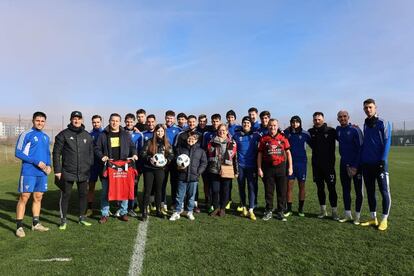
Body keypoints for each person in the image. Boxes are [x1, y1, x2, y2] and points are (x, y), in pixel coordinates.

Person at [53, 111, 94, 230]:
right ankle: (63, 220)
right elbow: (56, 153)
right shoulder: (63, 134)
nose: (77, 121)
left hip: (83, 172)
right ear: (71, 120)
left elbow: (90, 152)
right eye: (74, 118)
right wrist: (57, 170)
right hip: (67, 172)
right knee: (66, 195)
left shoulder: (87, 135)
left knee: (83, 195)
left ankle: (81, 218)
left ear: (82, 120)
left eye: (79, 118)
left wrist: (89, 164)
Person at [95, 113, 138, 223]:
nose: (114, 123)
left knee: (124, 190)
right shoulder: (103, 135)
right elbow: (97, 149)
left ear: (120, 122)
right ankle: (104, 214)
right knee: (105, 192)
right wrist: (102, 156)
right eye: (112, 120)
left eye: (117, 121)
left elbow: (132, 147)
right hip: (108, 167)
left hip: (123, 167)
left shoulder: (125, 134)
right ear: (109, 121)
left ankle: (123, 212)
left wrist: (134, 154)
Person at [14, 111, 51, 238]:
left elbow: (47, 153)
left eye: (42, 121)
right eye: (38, 120)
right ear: (33, 121)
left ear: (45, 122)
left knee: (38, 197)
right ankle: (19, 227)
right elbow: (18, 152)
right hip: (29, 171)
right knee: (24, 197)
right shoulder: (26, 134)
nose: (40, 123)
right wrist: (36, 162)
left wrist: (49, 165)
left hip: (42, 173)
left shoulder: (46, 137)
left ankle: (35, 223)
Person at [360, 99, 392, 231]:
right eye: (366, 108)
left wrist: (382, 160)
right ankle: (373, 218)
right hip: (367, 164)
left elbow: (387, 142)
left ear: (375, 108)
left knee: (384, 191)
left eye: (370, 107)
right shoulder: (365, 124)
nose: (368, 109)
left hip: (380, 164)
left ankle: (384, 219)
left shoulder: (383, 123)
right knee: (370, 192)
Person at [258, 119, 293, 221]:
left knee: (281, 191)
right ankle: (268, 210)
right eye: (270, 125)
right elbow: (259, 154)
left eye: (274, 125)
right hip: (268, 168)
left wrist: (290, 167)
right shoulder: (264, 139)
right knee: (269, 191)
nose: (272, 127)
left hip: (281, 167)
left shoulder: (283, 137)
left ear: (277, 126)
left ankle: (280, 211)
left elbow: (288, 153)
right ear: (267, 126)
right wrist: (259, 168)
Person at [170, 132, 207, 221]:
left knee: (191, 196)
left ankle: (189, 211)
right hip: (182, 177)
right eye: (189, 139)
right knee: (179, 195)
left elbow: (204, 163)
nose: (191, 140)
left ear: (196, 140)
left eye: (193, 139)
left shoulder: (200, 151)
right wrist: (177, 166)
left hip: (193, 177)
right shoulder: (180, 149)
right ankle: (177, 211)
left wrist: (198, 172)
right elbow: (175, 160)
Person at [308, 112, 339, 220]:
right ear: (313, 120)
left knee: (331, 188)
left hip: (329, 166)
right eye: (315, 119)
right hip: (316, 166)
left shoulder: (331, 131)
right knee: (320, 189)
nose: (317, 121)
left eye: (319, 119)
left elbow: (343, 137)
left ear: (323, 119)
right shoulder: (310, 132)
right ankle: (323, 211)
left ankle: (334, 212)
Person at [140, 124, 174, 221]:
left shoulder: (167, 143)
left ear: (164, 132)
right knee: (147, 190)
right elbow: (143, 153)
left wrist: (167, 160)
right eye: (158, 131)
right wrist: (150, 159)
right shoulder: (149, 142)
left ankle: (158, 210)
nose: (160, 133)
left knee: (159, 190)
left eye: (162, 131)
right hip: (149, 169)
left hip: (161, 170)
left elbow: (171, 154)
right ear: (155, 132)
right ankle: (144, 211)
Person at [336, 110, 364, 224]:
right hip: (344, 165)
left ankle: (357, 216)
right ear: (338, 119)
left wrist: (355, 166)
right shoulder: (338, 130)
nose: (342, 118)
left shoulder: (355, 129)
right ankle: (347, 214)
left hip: (357, 166)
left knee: (358, 191)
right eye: (340, 117)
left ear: (348, 117)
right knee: (346, 190)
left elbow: (361, 149)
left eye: (344, 116)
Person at [233, 116, 261, 220]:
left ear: (251, 124)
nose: (246, 124)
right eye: (244, 123)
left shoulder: (256, 135)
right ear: (242, 124)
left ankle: (251, 209)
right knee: (241, 187)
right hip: (240, 166)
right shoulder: (236, 136)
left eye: (248, 123)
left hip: (252, 166)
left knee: (251, 187)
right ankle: (244, 206)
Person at [207, 124, 238, 217]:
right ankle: (216, 208)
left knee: (225, 190)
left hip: (227, 170)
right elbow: (208, 154)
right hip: (214, 170)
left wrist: (236, 171)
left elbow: (235, 157)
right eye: (220, 130)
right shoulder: (212, 141)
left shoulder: (232, 142)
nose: (222, 132)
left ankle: (222, 208)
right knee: (215, 190)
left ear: (227, 131)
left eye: (224, 130)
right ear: (217, 131)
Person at [174, 115, 202, 212]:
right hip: (183, 166)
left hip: (195, 166)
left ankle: (194, 205)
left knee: (194, 187)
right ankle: (180, 205)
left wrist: (199, 169)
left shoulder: (200, 134)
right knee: (181, 187)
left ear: (196, 122)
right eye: (189, 122)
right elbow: (177, 148)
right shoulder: (181, 134)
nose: (191, 123)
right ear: (187, 122)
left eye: (193, 121)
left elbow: (202, 150)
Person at [284, 116, 310, 217]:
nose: (295, 124)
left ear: (300, 123)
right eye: (293, 122)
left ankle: (300, 209)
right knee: (289, 187)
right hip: (290, 164)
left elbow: (314, 144)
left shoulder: (305, 134)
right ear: (290, 123)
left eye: (297, 122)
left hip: (302, 164)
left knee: (302, 186)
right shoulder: (286, 133)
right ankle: (289, 209)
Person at [124, 113, 143, 217]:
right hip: (122, 164)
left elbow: (141, 150)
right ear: (124, 121)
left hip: (134, 165)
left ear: (134, 122)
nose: (129, 123)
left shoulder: (138, 135)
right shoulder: (121, 132)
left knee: (133, 186)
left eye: (131, 121)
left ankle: (131, 206)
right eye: (127, 121)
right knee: (123, 185)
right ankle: (122, 207)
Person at [202, 113, 222, 212]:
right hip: (208, 163)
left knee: (217, 185)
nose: (215, 123)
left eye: (217, 121)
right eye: (213, 121)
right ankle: (208, 203)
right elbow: (203, 148)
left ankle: (217, 204)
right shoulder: (207, 134)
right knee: (207, 183)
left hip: (219, 164)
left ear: (220, 122)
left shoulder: (223, 133)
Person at [162, 110, 181, 212]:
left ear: (174, 119)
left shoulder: (178, 130)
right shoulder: (162, 128)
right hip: (163, 160)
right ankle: (163, 202)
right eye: (167, 118)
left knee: (174, 182)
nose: (169, 120)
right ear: (165, 118)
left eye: (171, 118)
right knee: (162, 182)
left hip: (174, 161)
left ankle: (174, 202)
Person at [86, 115, 103, 217]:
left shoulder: (105, 133)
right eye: (94, 122)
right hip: (92, 165)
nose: (96, 124)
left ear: (101, 122)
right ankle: (89, 208)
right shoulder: (89, 134)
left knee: (106, 187)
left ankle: (105, 208)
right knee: (91, 187)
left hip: (102, 165)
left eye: (97, 122)